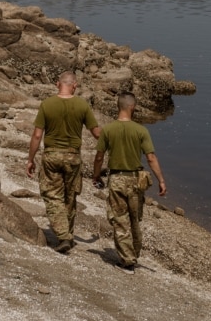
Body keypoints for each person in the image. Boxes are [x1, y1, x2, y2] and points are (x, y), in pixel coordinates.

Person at [91, 91, 167, 274]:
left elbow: (99, 157)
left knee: (119, 220)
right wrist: (161, 180)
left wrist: (96, 175)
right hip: (135, 180)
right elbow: (150, 158)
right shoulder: (141, 130)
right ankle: (133, 254)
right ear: (132, 107)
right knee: (134, 219)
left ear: (118, 106)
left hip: (116, 179)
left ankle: (128, 260)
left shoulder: (108, 130)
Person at [26, 71, 101, 254]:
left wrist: (30, 159)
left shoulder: (47, 104)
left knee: (52, 195)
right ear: (74, 85)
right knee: (70, 196)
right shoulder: (82, 105)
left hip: (51, 155)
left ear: (57, 84)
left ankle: (64, 236)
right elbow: (97, 133)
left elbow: (37, 135)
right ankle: (67, 234)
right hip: (73, 156)